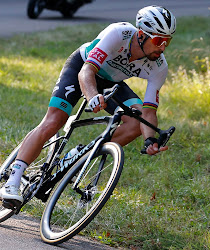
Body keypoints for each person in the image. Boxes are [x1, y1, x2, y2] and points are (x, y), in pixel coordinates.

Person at [0, 5, 176, 204]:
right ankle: (12, 181)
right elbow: (86, 72)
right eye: (158, 40)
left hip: (111, 82)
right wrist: (92, 96)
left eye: (167, 41)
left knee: (136, 121)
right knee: (54, 121)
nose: (162, 47)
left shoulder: (159, 66)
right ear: (142, 34)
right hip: (83, 67)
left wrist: (150, 140)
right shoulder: (118, 33)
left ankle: (85, 154)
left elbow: (149, 111)